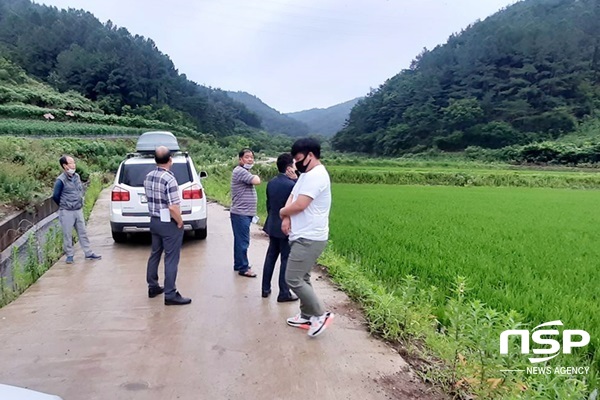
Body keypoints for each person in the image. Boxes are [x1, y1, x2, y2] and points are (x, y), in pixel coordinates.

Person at [280, 138, 334, 338]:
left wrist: (281, 212)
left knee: (292, 278)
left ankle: (320, 314)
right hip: (301, 234)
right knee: (302, 277)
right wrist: (286, 215)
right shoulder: (306, 175)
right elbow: (293, 196)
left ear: (311, 155)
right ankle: (306, 315)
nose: (297, 164)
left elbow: (301, 204)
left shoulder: (317, 175)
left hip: (310, 236)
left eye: (300, 159)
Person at [143, 146, 191, 306]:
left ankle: (153, 286)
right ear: (170, 160)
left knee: (155, 253)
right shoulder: (169, 179)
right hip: (168, 223)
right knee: (171, 258)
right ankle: (170, 294)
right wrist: (179, 221)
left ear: (155, 160)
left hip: (154, 221)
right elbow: (173, 207)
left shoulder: (149, 176)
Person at [261, 153, 299, 302]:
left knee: (271, 256)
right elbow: (297, 203)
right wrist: (297, 180)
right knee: (285, 259)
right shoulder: (292, 185)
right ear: (289, 168)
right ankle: (284, 292)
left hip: (272, 224)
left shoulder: (272, 182)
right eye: (295, 165)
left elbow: (269, 205)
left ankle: (265, 288)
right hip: (285, 227)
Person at [52, 155, 101, 264]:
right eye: (71, 163)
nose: (73, 165)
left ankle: (88, 252)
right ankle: (69, 255)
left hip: (78, 209)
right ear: (65, 166)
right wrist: (64, 205)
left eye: (74, 162)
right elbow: (55, 196)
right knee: (67, 234)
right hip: (66, 211)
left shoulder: (77, 176)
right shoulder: (61, 180)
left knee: (82, 232)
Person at [230, 148, 261, 278]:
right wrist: (257, 175)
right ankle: (243, 267)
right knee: (243, 241)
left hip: (243, 213)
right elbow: (257, 181)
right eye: (247, 157)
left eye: (252, 157)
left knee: (240, 240)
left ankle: (239, 264)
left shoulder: (244, 171)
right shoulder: (240, 171)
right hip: (241, 213)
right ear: (240, 159)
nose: (250, 159)